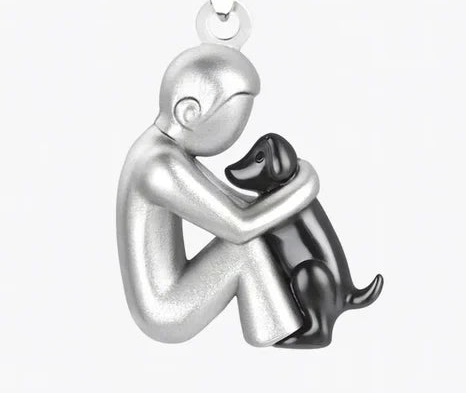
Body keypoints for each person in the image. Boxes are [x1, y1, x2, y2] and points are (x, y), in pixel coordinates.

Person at [117, 44, 320, 346]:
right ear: (188, 112)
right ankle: (276, 331)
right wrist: (304, 186)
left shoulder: (168, 150)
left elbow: (232, 206)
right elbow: (239, 225)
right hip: (166, 311)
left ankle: (278, 322)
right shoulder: (158, 164)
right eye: (232, 121)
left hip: (178, 287)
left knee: (251, 237)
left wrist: (279, 198)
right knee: (245, 245)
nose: (236, 133)